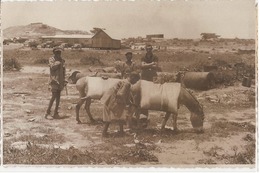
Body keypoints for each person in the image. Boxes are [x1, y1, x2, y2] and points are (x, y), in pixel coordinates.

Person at [100, 73, 139, 137]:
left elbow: (125, 95)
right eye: (136, 80)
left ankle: (121, 131)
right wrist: (125, 103)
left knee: (120, 115)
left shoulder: (124, 81)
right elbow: (120, 94)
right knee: (111, 116)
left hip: (109, 99)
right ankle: (104, 133)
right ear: (132, 77)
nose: (136, 82)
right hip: (113, 100)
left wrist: (129, 102)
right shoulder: (127, 84)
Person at [140, 44, 159, 127]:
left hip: (152, 76)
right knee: (144, 93)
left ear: (152, 49)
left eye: (150, 49)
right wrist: (151, 64)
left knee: (153, 92)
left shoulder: (155, 56)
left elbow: (156, 66)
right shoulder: (143, 57)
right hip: (144, 76)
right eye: (147, 49)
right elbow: (142, 66)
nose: (148, 50)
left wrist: (146, 66)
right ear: (145, 49)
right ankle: (143, 113)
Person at [45, 47, 66, 119]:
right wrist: (58, 63)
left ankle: (56, 113)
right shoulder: (52, 59)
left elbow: (63, 71)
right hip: (54, 80)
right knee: (53, 96)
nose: (58, 54)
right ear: (54, 53)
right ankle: (47, 112)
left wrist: (64, 80)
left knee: (58, 97)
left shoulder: (62, 60)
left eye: (59, 53)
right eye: (57, 53)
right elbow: (52, 67)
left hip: (60, 81)